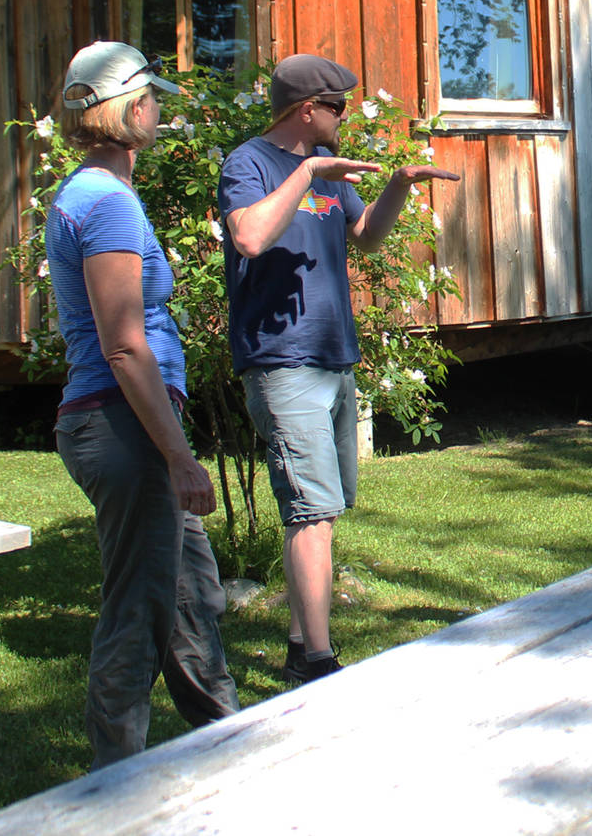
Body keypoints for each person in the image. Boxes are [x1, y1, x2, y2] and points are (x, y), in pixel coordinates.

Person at [219, 54, 458, 684]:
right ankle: (319, 663)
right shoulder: (249, 163)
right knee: (311, 510)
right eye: (337, 107)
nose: (344, 117)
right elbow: (248, 237)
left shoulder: (328, 171)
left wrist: (400, 185)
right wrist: (307, 174)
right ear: (307, 110)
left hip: (333, 356)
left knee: (328, 504)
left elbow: (366, 236)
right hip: (281, 359)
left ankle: (302, 642)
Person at [46, 40, 240, 768]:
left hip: (126, 423)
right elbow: (125, 346)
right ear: (130, 109)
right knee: (139, 610)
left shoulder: (95, 194)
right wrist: (180, 458)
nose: (159, 108)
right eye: (152, 97)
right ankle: (109, 789)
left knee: (192, 599)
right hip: (124, 427)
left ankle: (229, 749)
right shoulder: (104, 203)